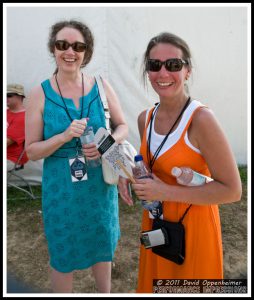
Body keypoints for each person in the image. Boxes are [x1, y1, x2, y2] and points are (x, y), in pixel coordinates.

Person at [118, 32, 242, 293]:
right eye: (154, 65)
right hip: (156, 222)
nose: (163, 73)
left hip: (194, 228)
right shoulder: (145, 118)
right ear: (147, 72)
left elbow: (232, 191)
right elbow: (150, 168)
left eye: (173, 65)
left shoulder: (201, 120)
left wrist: (163, 191)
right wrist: (128, 173)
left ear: (187, 71)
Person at [25, 20, 128, 293]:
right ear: (53, 48)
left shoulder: (102, 86)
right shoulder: (39, 94)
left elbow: (123, 127)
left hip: (99, 185)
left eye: (78, 46)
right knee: (63, 255)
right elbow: (31, 149)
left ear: (86, 52)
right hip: (62, 189)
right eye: (62, 45)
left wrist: (107, 143)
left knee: (102, 246)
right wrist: (63, 136)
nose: (70, 52)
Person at [7, 84, 28, 171]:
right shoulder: (6, 111)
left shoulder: (23, 118)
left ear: (20, 97)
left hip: (10, 158)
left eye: (8, 95)